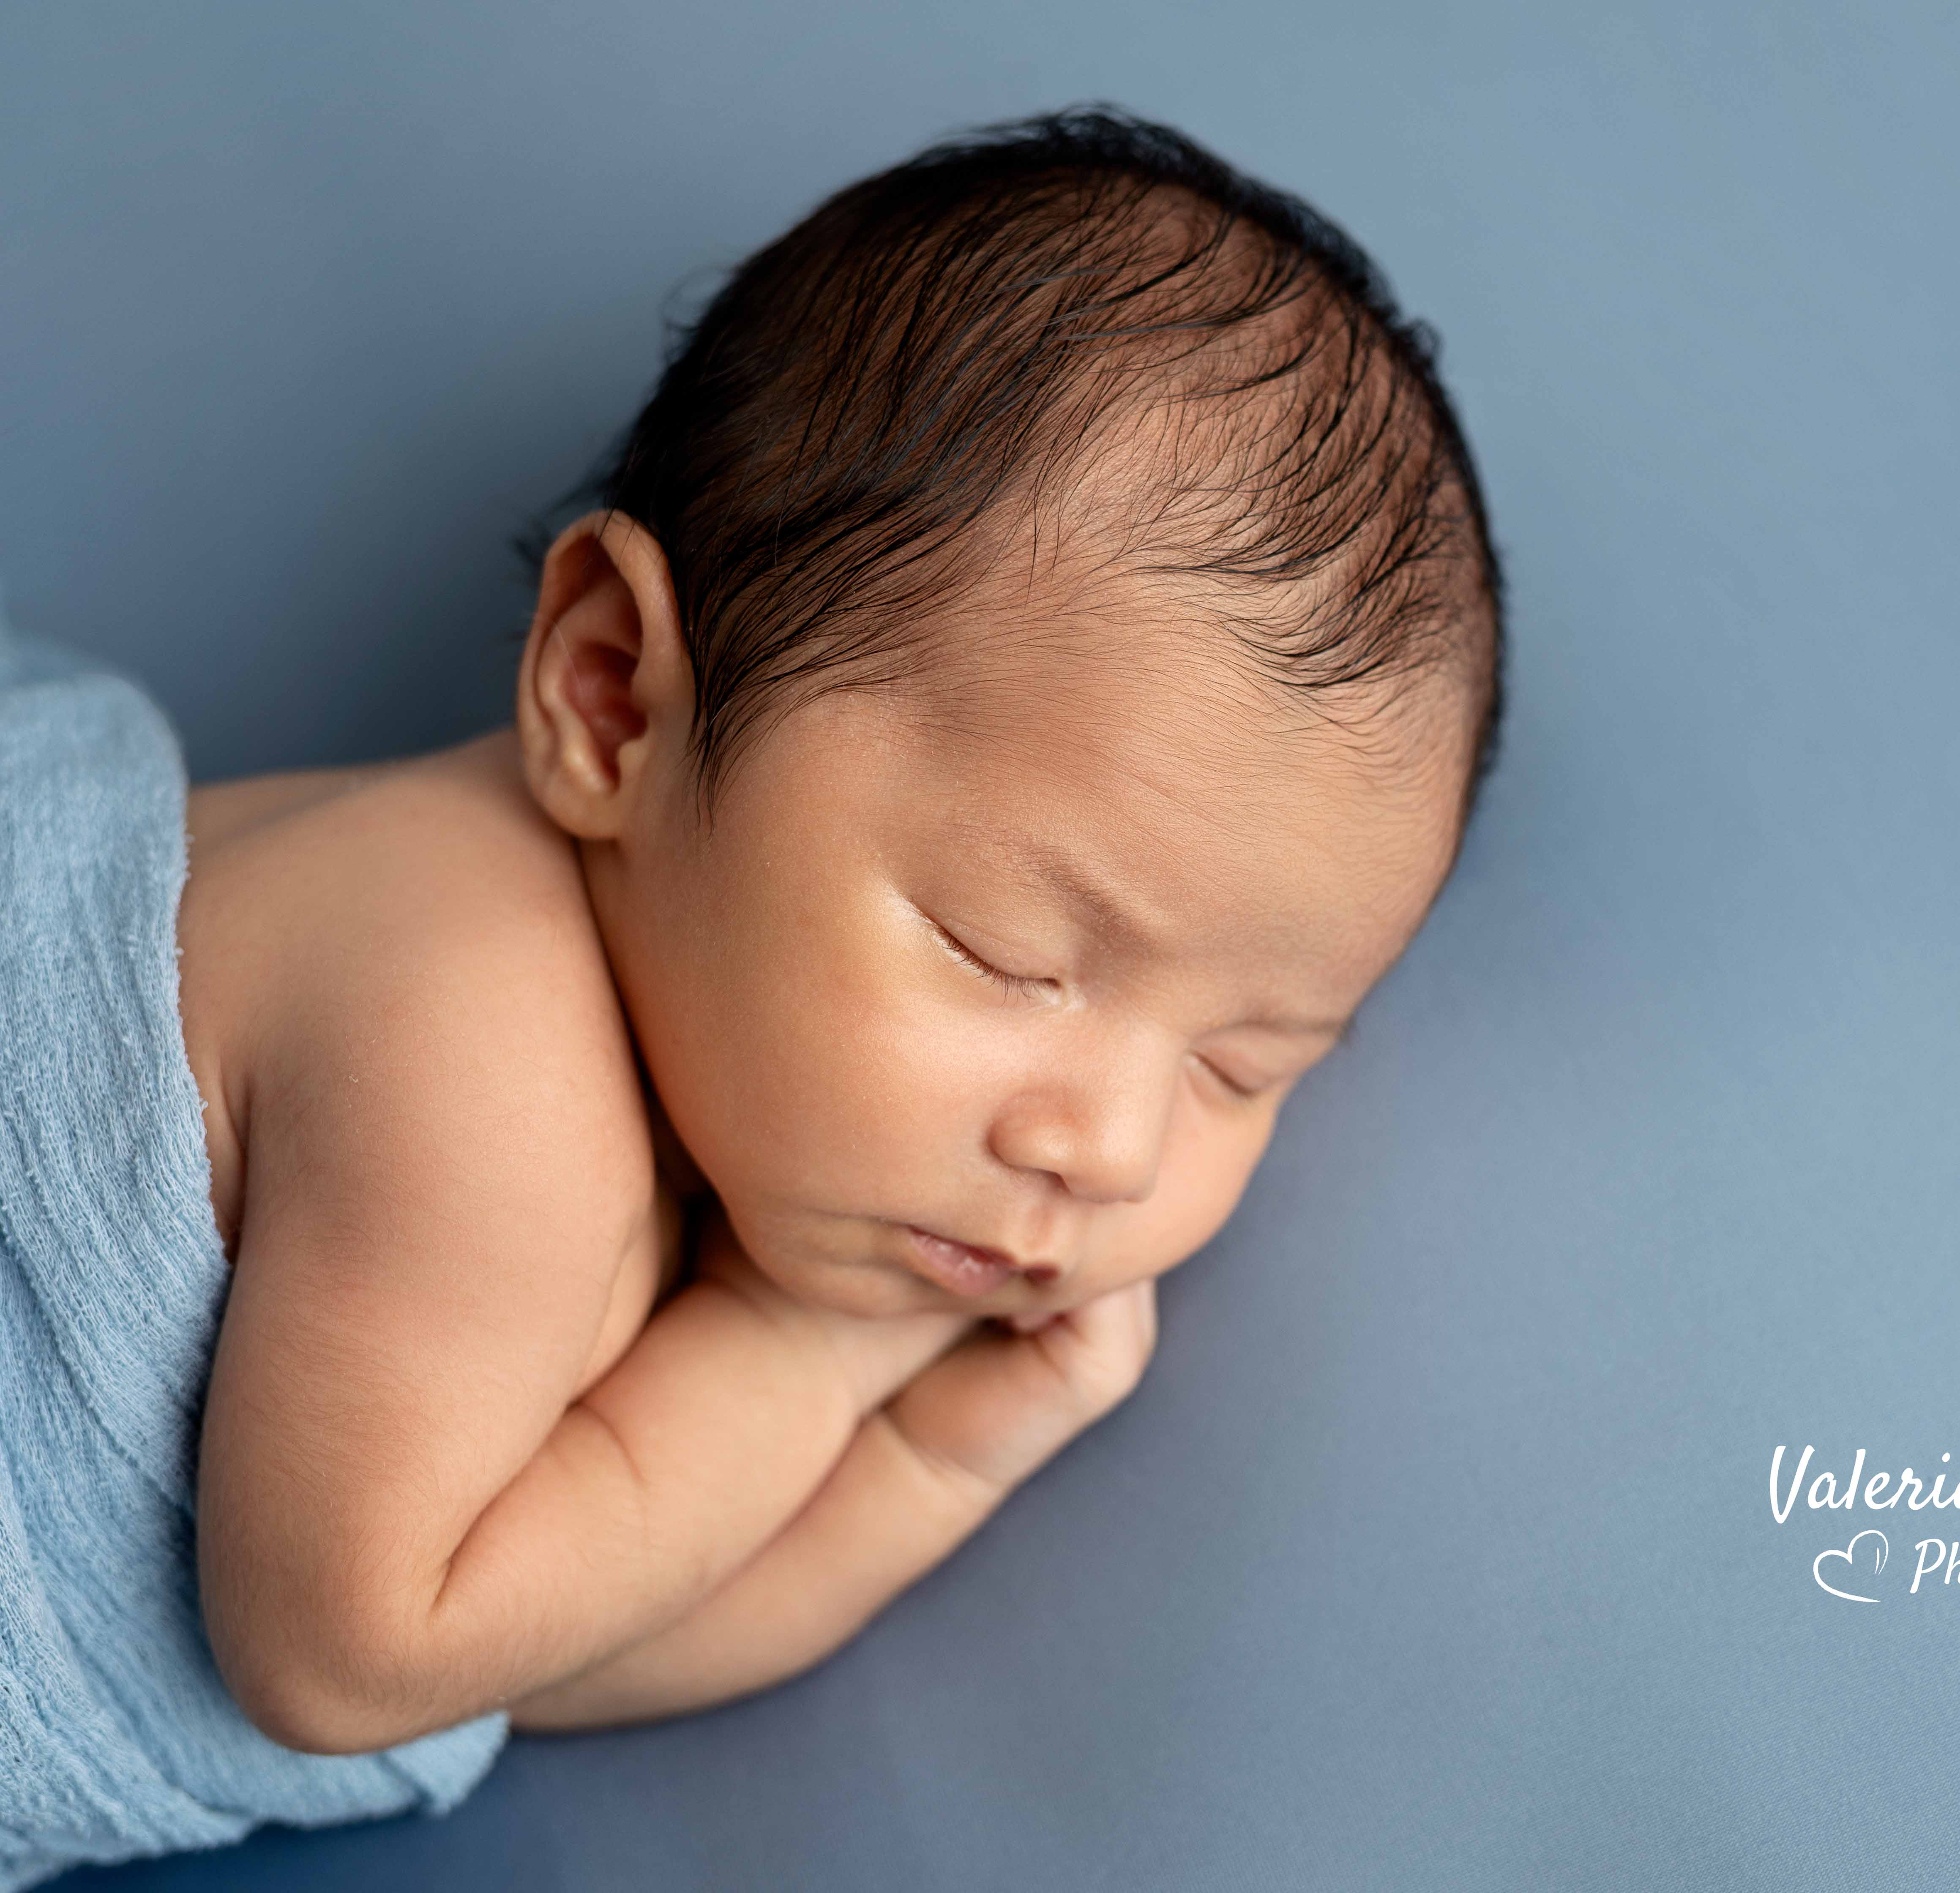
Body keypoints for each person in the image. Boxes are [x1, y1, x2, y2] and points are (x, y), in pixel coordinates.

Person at [0, 105, 1502, 1885]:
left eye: (1248, 1066)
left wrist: (921, 1472)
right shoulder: (469, 1024)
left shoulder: (658, 1122)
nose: (1103, 1144)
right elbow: (355, 1657)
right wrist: (806, 1351)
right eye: (1009, 955)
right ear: (618, 696)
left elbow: (526, 1653)